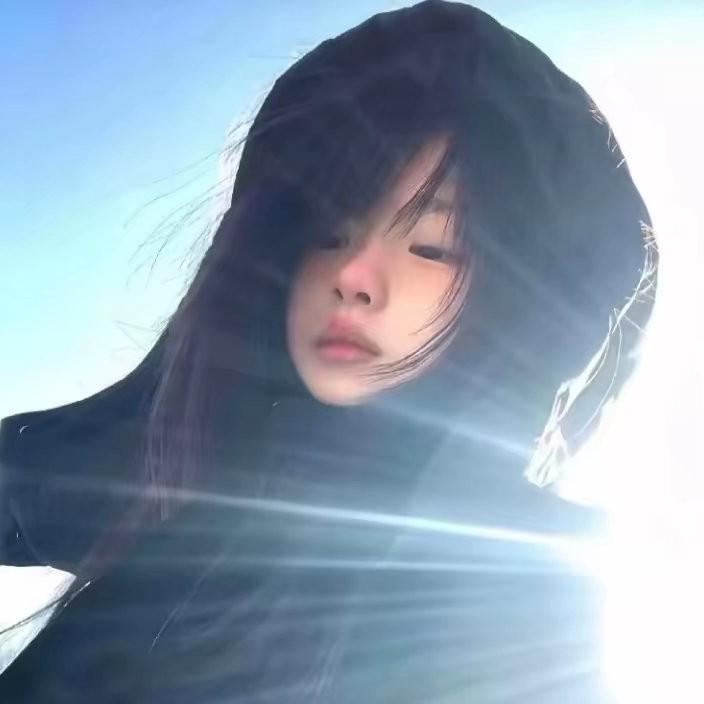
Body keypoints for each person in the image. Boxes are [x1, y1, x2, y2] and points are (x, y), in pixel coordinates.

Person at [0, 1, 657, 701]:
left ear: (521, 299)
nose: (352, 275)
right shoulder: (166, 479)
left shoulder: (508, 587)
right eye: (328, 232)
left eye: (432, 247)